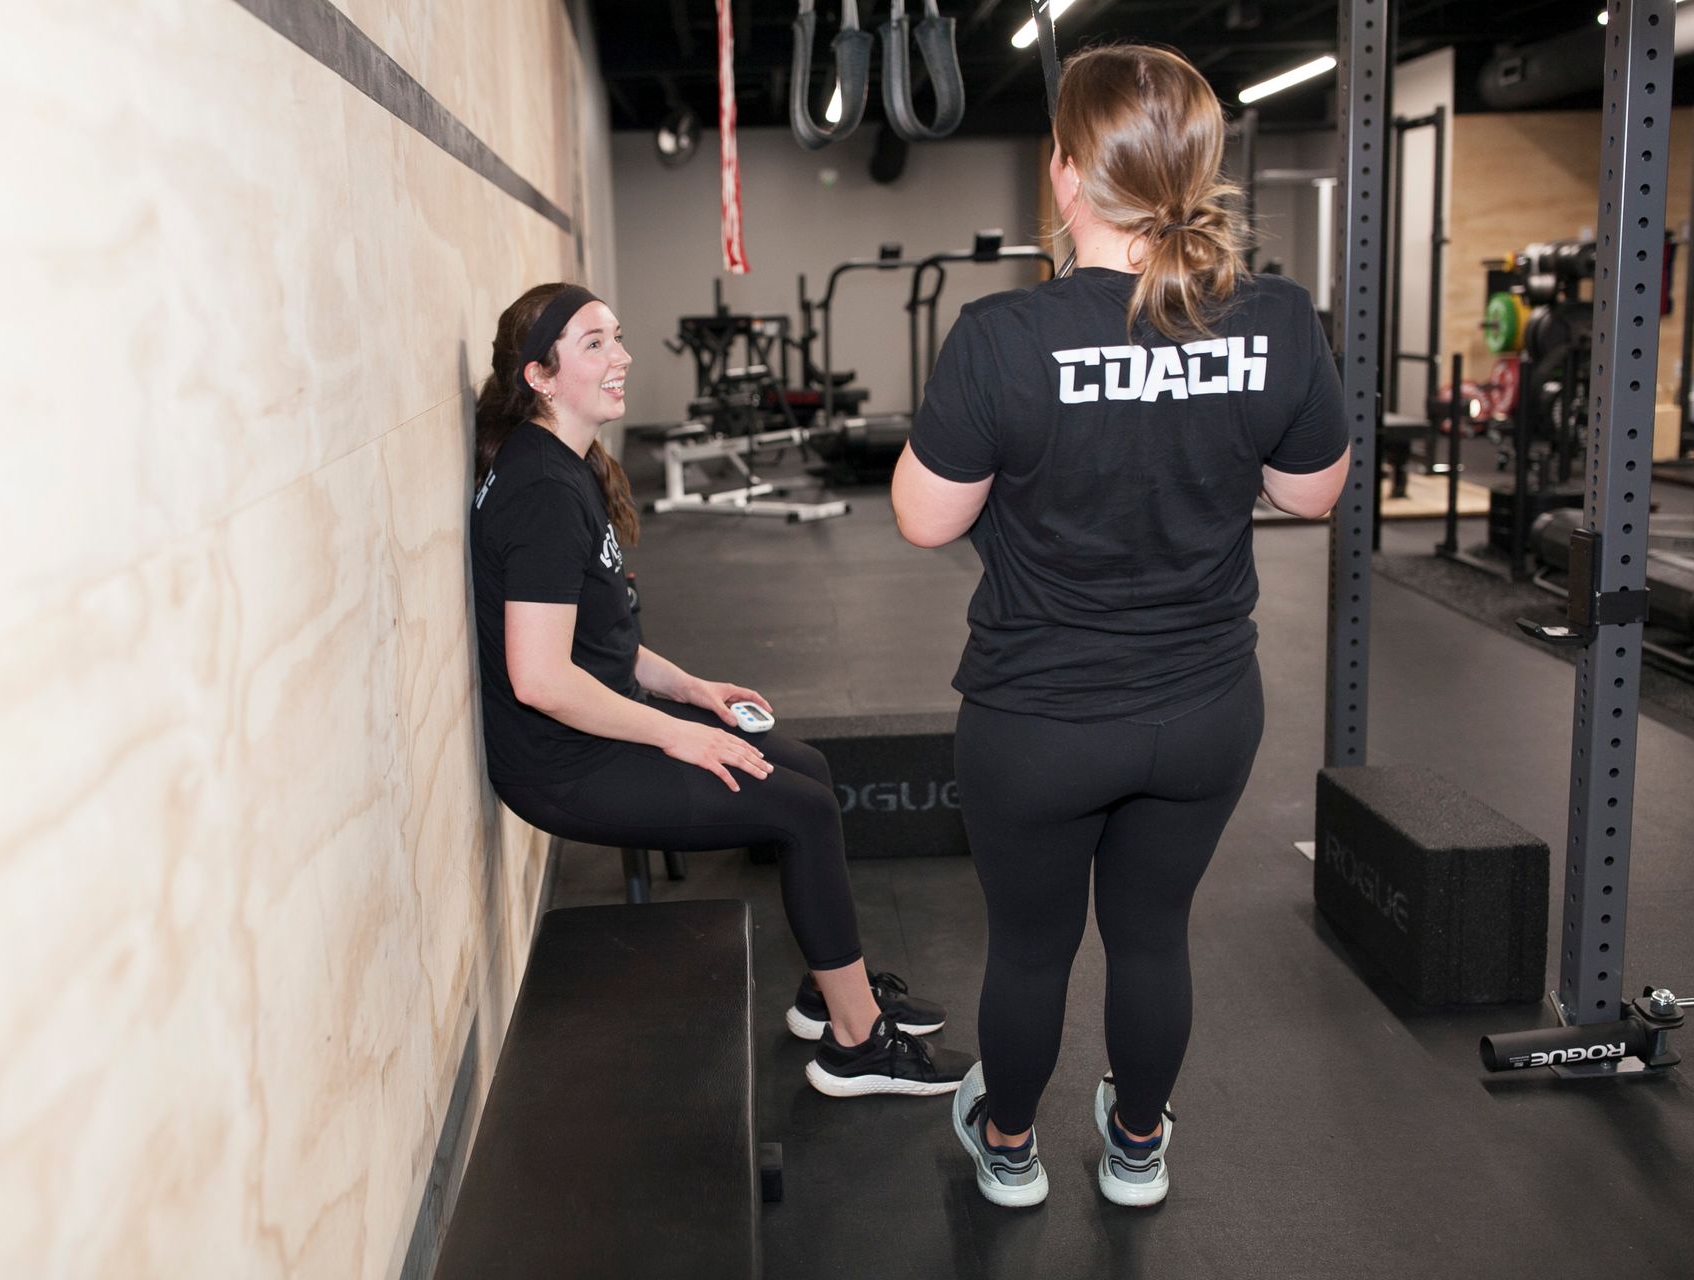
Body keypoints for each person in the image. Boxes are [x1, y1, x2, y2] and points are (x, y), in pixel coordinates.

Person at [891, 46, 1349, 1208]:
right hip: (1202, 711)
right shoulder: (1280, 319)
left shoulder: (1001, 338)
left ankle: (1008, 1146)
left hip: (1038, 717)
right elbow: (1310, 494)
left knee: (1032, 948)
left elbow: (922, 518)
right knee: (1152, 936)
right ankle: (1136, 1144)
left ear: (1066, 174)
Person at [470, 281, 971, 1098]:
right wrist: (677, 734)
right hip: (559, 764)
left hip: (592, 729)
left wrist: (691, 689)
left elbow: (605, 642)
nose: (621, 356)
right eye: (594, 344)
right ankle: (853, 1042)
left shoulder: (565, 466)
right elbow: (540, 678)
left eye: (617, 336)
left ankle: (827, 988)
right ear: (540, 376)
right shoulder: (539, 491)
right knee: (797, 808)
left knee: (805, 766)